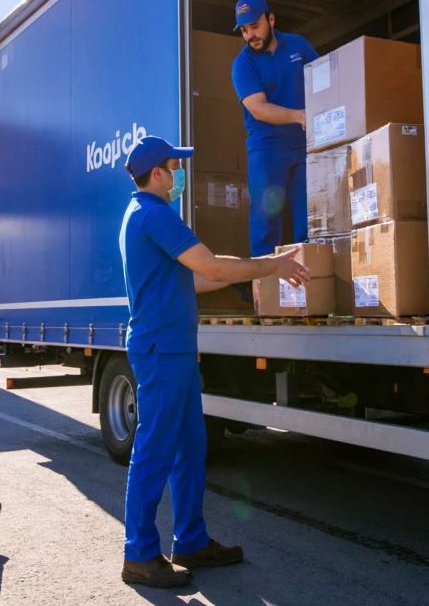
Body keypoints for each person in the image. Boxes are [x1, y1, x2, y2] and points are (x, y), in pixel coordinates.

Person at [117, 136, 311, 588]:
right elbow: (213, 270)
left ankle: (190, 541)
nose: (180, 174)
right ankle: (139, 555)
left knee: (190, 448)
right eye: (175, 166)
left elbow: (196, 279)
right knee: (155, 450)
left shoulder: (143, 214)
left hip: (174, 349)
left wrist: (251, 273)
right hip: (162, 351)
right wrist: (269, 265)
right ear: (158, 174)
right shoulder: (154, 214)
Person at [230, 0, 319, 256]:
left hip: (305, 147)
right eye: (244, 30)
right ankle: (264, 292)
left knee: (310, 220)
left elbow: (324, 77)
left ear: (271, 19)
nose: (250, 35)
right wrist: (300, 116)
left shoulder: (298, 46)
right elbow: (258, 108)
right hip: (267, 150)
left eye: (254, 26)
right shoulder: (243, 64)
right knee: (266, 222)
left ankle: (314, 283)